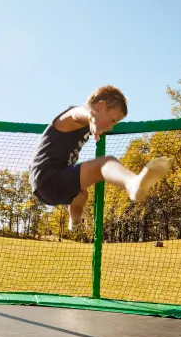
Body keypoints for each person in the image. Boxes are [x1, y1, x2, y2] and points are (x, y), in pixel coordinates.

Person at [29, 85, 171, 230]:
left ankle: (75, 221)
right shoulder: (72, 117)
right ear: (100, 106)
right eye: (112, 120)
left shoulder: (87, 125)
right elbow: (76, 113)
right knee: (104, 164)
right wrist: (91, 116)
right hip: (46, 175)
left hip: (54, 185)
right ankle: (132, 183)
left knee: (81, 195)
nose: (111, 127)